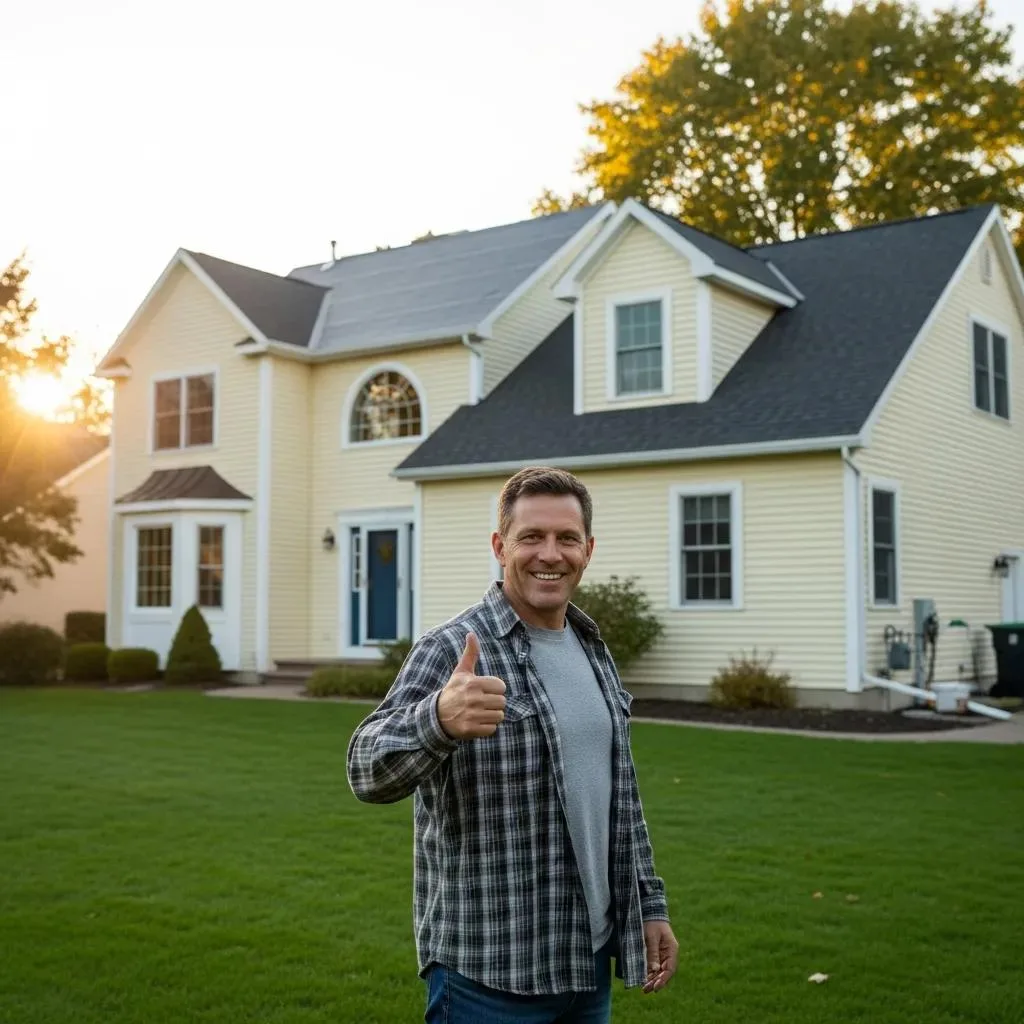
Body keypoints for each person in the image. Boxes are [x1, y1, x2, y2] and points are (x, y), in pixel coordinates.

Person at [346, 466, 678, 1023]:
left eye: (566, 538)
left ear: (587, 549)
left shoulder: (593, 649)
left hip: (587, 966)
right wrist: (439, 720)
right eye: (531, 537)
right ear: (501, 546)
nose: (550, 553)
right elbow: (365, 769)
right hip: (489, 975)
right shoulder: (452, 648)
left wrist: (649, 904)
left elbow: (618, 798)